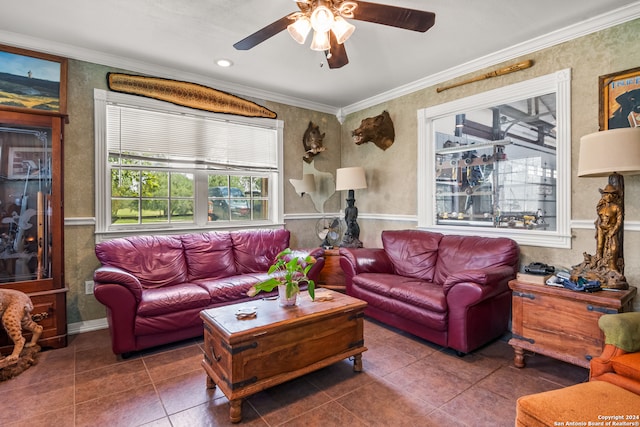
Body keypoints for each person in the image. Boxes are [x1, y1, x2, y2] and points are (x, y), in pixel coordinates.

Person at [595, 184, 623, 272]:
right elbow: (599, 218)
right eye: (606, 194)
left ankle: (612, 266)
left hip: (611, 229)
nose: (608, 196)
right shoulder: (601, 206)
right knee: (599, 246)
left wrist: (613, 231)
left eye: (611, 194)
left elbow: (619, 221)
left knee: (614, 247)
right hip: (601, 228)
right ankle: (599, 265)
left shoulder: (616, 207)